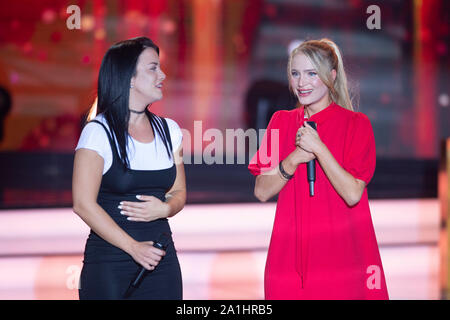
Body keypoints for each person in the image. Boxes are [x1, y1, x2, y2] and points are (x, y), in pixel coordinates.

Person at [248, 38, 389, 300]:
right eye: (296, 74)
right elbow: (261, 190)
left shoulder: (356, 125)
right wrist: (294, 158)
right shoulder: (281, 121)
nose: (302, 83)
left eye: (312, 74)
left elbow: (352, 194)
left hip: (343, 262)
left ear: (331, 76)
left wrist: (319, 149)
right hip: (288, 263)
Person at [72, 37, 185, 300]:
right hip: (111, 262)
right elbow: (82, 204)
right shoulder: (98, 132)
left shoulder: (170, 131)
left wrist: (166, 208)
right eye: (153, 68)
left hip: (161, 260)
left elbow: (179, 191)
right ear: (129, 77)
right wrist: (133, 248)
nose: (162, 74)